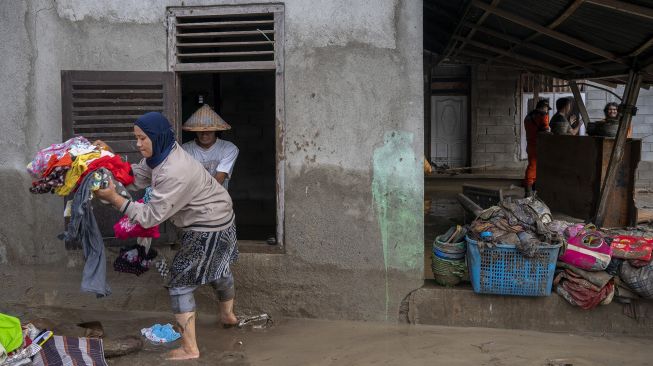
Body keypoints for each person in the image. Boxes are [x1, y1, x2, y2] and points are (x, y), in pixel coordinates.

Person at [94, 112, 238, 361]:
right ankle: (228, 316)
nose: (138, 144)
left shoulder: (174, 170)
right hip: (222, 217)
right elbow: (136, 177)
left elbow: (150, 217)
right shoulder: (163, 153)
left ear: (157, 137)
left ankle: (190, 349)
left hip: (207, 226)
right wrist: (108, 159)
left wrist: (115, 199)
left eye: (142, 139)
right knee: (219, 268)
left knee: (180, 285)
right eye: (136, 138)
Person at [523, 99, 551, 195]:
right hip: (539, 146)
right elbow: (546, 132)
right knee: (534, 167)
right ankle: (529, 189)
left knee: (532, 165)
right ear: (544, 107)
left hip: (530, 144)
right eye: (547, 109)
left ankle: (531, 188)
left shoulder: (528, 116)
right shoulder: (543, 115)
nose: (547, 111)